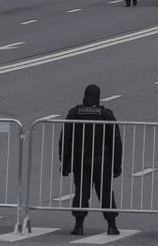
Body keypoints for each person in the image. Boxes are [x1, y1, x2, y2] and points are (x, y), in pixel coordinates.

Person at [59, 84, 123, 237]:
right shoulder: (106, 114)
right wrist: (116, 163)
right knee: (106, 193)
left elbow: (65, 140)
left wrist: (65, 161)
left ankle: (79, 226)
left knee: (81, 193)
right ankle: (111, 225)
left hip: (81, 162)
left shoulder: (75, 113)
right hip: (103, 163)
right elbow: (115, 141)